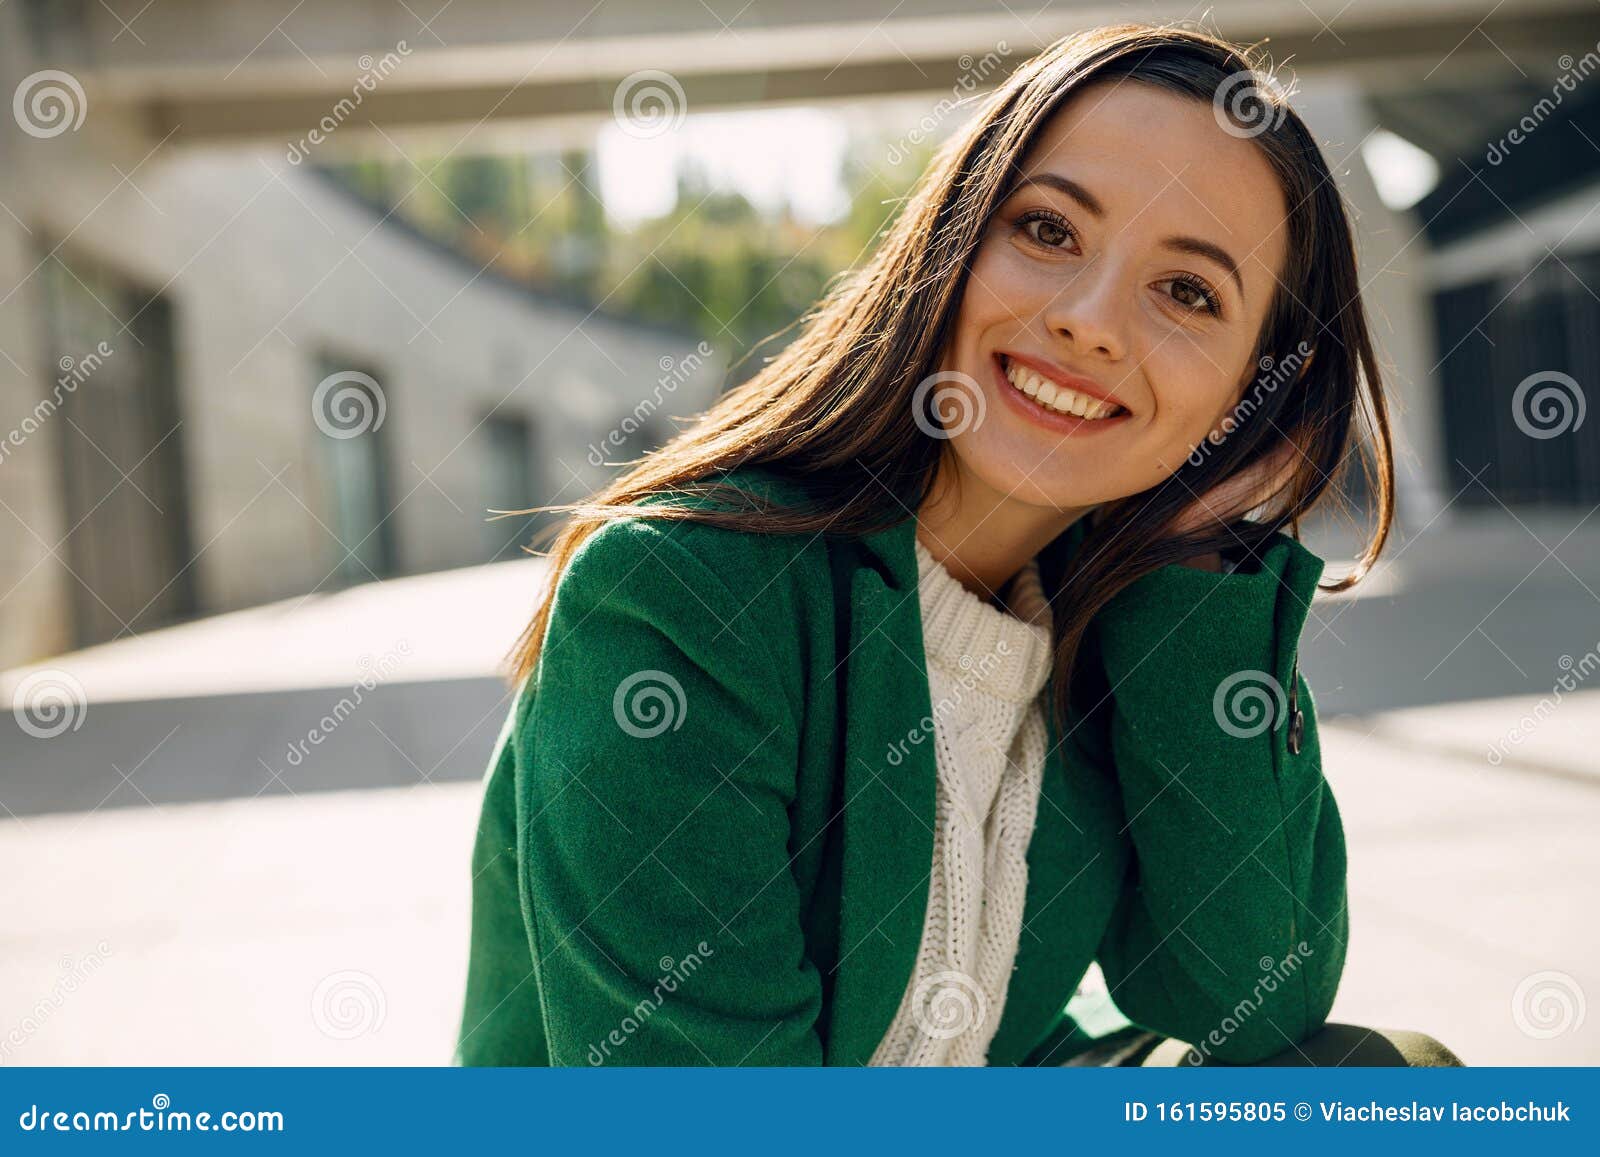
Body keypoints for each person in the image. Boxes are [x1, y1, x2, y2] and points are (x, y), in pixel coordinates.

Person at [455, 22, 1461, 1068]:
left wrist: (1199, 559)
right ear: (950, 239)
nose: (1089, 321)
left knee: (1379, 1077)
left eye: (1187, 292)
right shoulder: (681, 591)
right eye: (1047, 231)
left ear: (1251, 391)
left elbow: (1253, 1006)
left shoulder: (1119, 615)